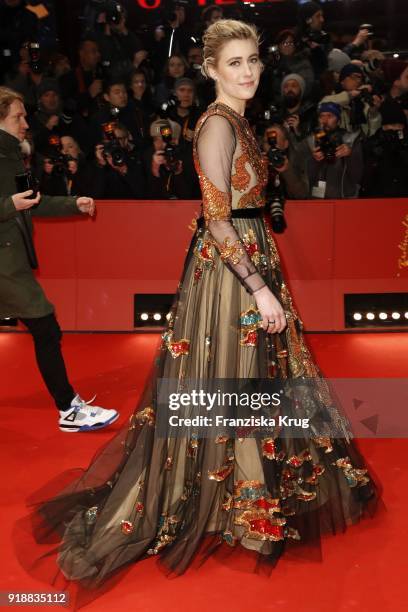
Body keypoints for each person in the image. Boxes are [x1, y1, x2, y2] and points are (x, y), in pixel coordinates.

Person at [22, 21, 378, 604]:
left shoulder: (239, 120)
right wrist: (259, 288)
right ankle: (227, 500)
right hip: (233, 270)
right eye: (234, 62)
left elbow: (247, 201)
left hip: (249, 251)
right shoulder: (215, 122)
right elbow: (216, 217)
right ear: (210, 69)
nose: (248, 71)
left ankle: (244, 493)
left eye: (253, 61)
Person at [0, 86, 118, 432]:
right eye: (17, 116)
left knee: (44, 328)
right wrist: (10, 206)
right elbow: (17, 203)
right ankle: (68, 409)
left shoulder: (12, 155)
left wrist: (73, 203)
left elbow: (31, 200)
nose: (25, 122)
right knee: (45, 325)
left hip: (10, 256)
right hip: (4, 262)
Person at [305, 102, 363, 199]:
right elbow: (305, 177)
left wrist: (350, 155)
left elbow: (358, 176)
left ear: (339, 120)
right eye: (321, 116)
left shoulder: (350, 140)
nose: (325, 120)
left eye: (330, 116)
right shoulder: (311, 140)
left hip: (344, 199)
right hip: (317, 199)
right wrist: (314, 160)